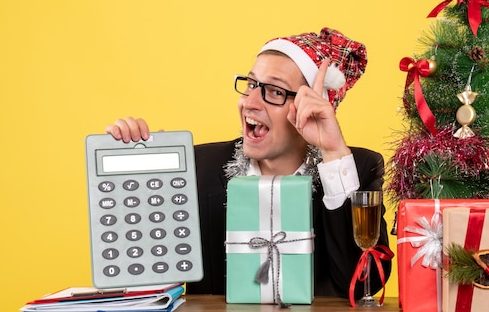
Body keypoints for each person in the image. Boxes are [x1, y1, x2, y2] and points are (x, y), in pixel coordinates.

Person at [105, 27, 392, 298]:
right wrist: (141, 175)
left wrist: (332, 150)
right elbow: (148, 279)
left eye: (275, 91)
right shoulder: (197, 167)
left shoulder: (357, 168)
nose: (250, 102)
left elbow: (365, 284)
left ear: (311, 108)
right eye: (252, 84)